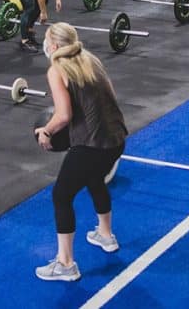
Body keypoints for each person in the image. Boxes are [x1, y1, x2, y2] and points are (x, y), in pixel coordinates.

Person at [34, 22, 127, 282]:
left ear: (53, 46)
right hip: (117, 139)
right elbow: (110, 96)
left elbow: (63, 115)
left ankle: (65, 264)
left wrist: (46, 131)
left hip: (92, 145)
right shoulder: (91, 59)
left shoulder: (57, 69)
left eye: (46, 39)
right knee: (93, 177)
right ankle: (106, 236)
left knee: (61, 195)